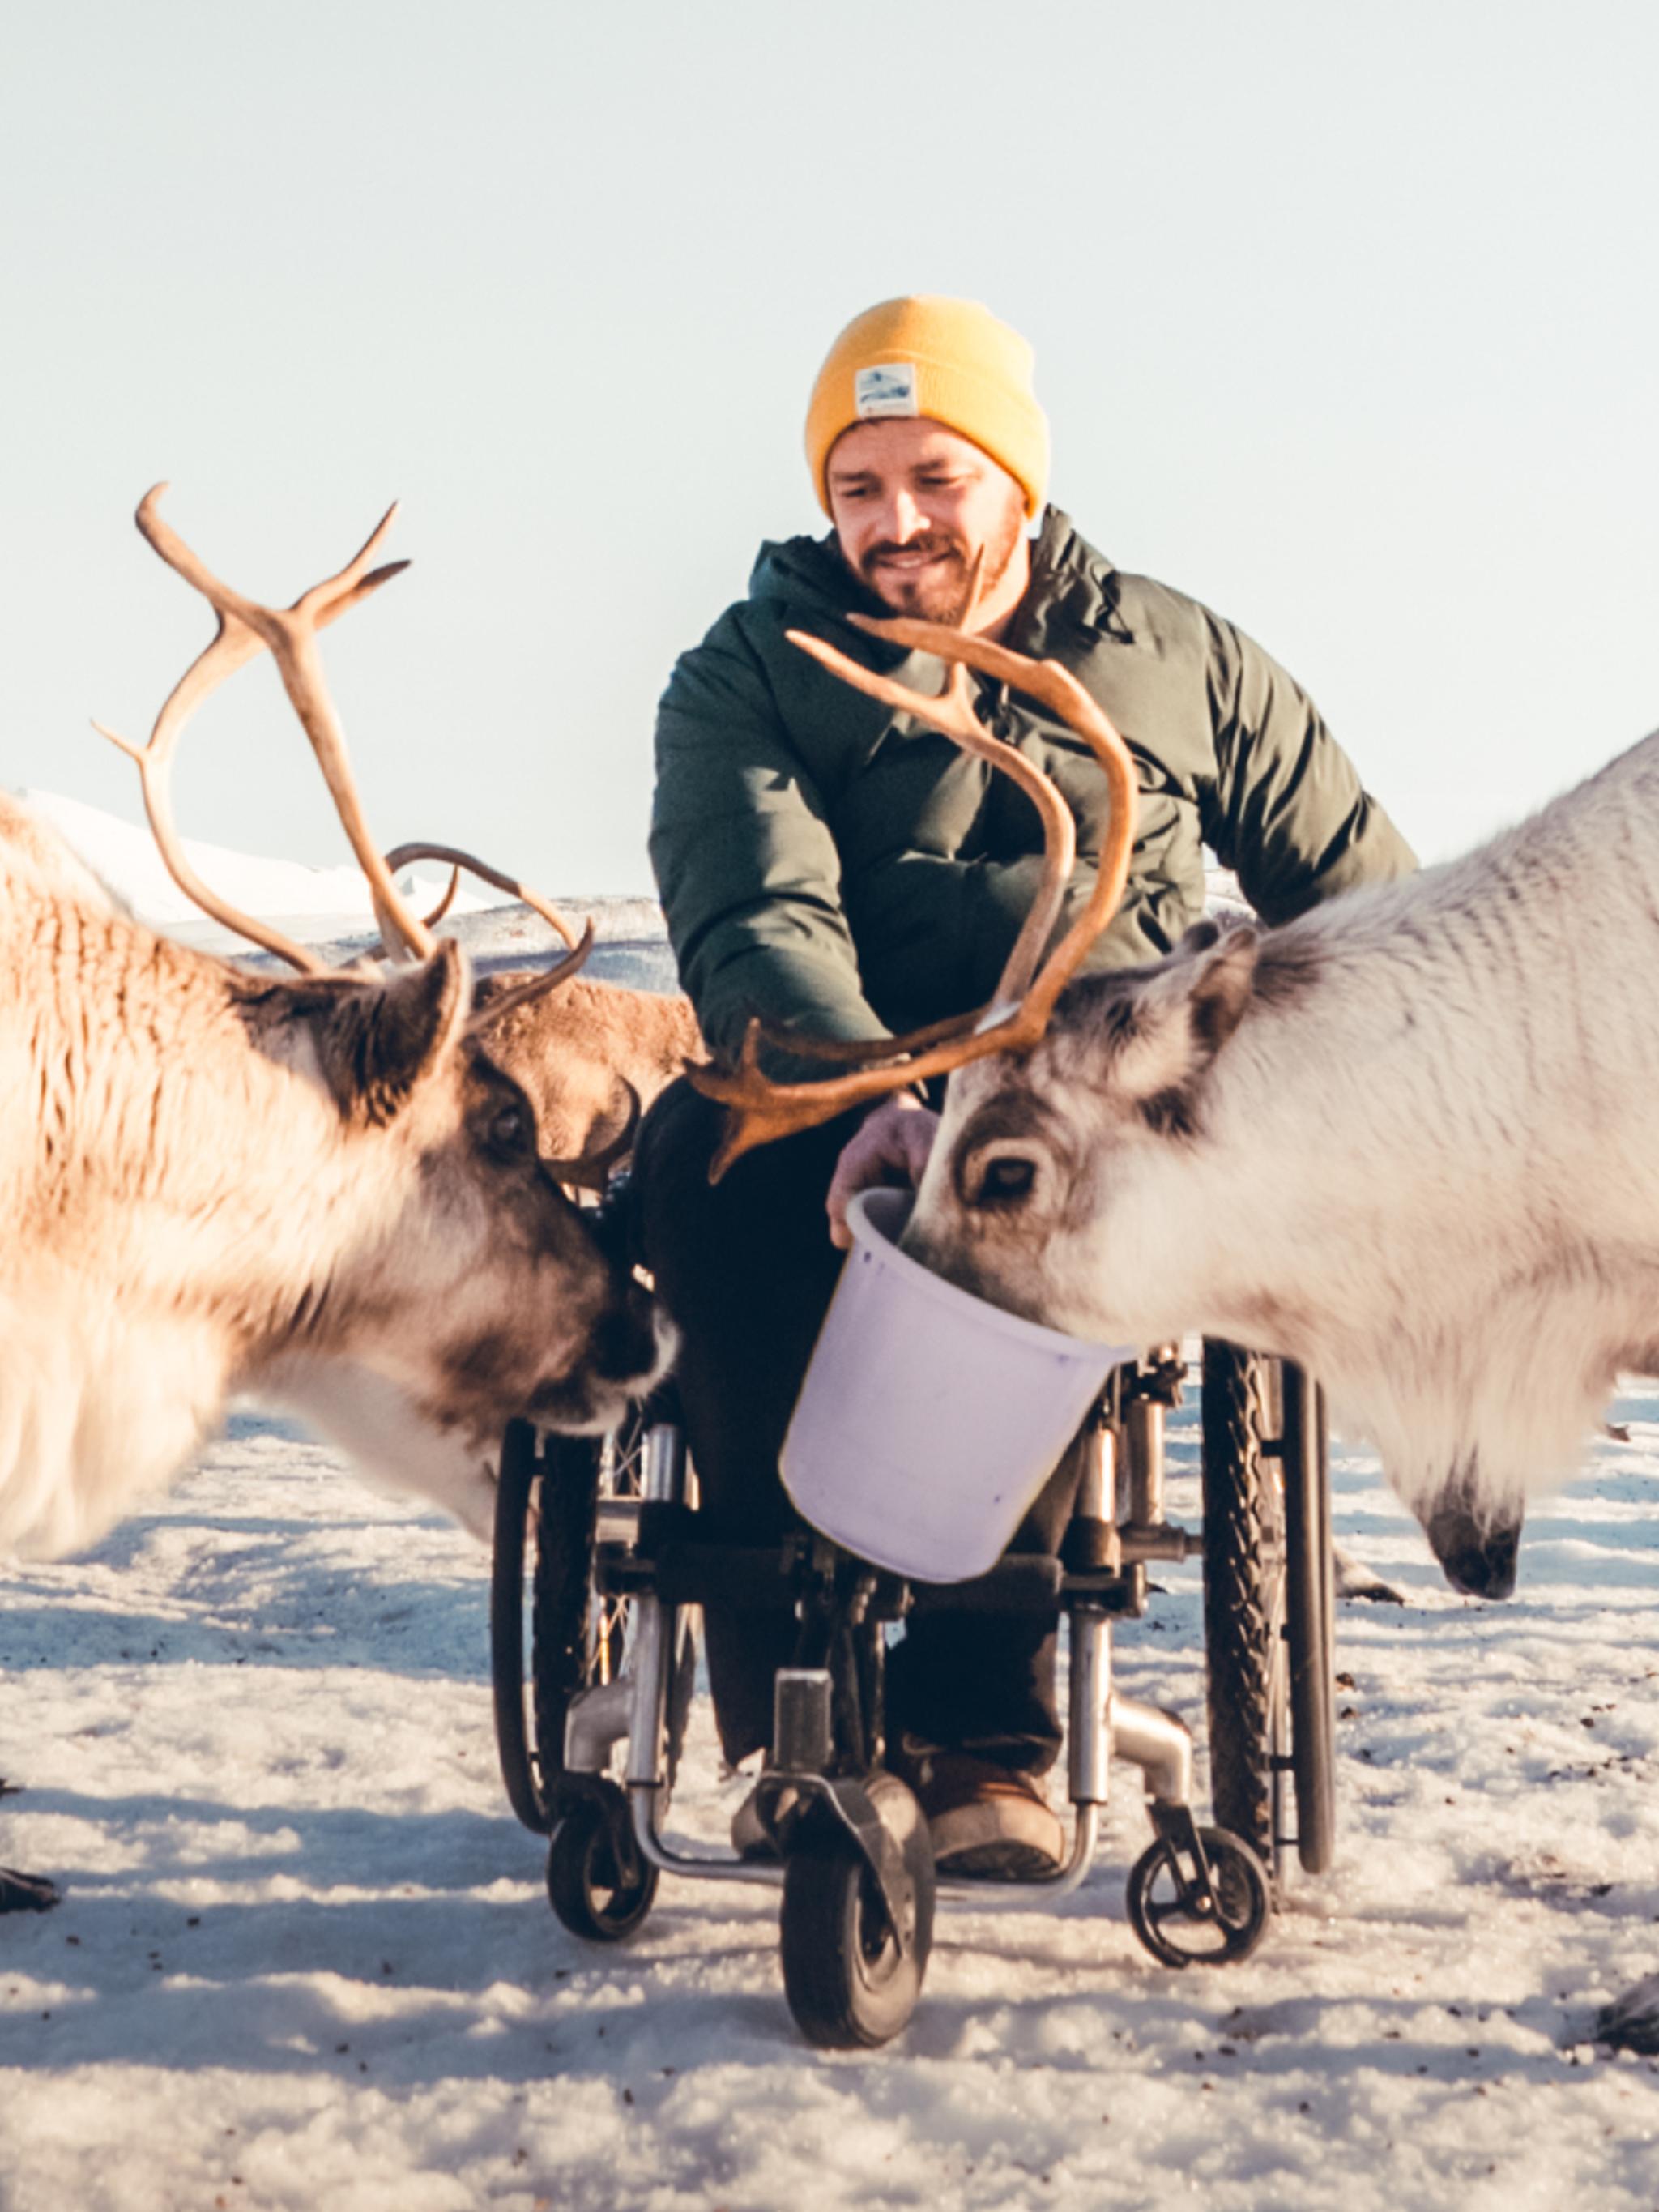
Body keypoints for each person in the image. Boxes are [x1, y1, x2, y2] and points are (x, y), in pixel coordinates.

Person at [637, 295, 1414, 1877]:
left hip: (1109, 1100)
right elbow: (753, 908)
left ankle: (979, 1726)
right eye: (857, 488)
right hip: (848, 1080)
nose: (895, 521)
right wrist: (859, 1091)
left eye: (935, 476)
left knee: (1063, 1202)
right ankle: (801, 1698)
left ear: (1012, 474)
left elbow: (1360, 892)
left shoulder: (1180, 657)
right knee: (700, 1171)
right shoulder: (751, 672)